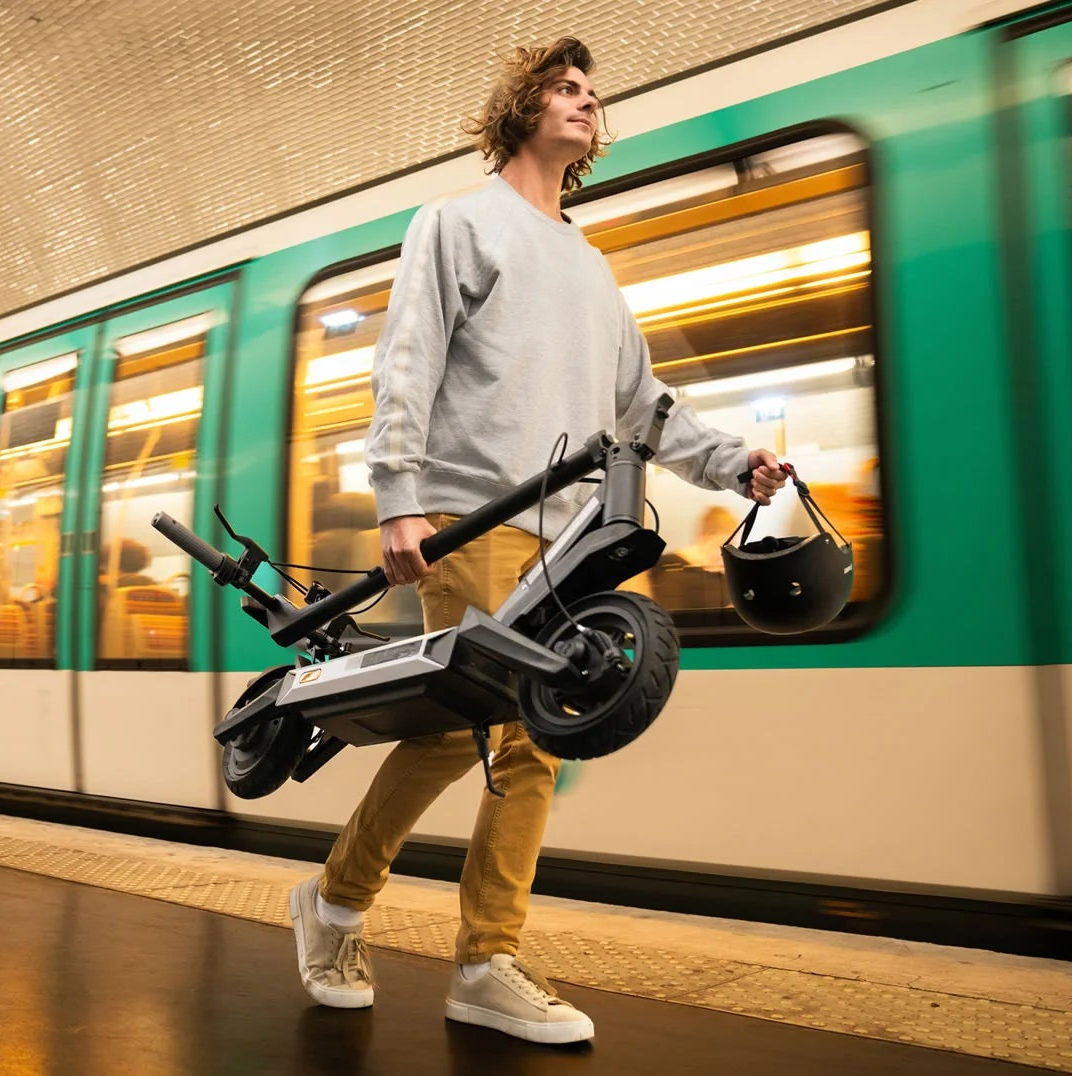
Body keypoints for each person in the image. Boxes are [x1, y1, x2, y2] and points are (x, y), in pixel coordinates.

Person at [286, 37, 786, 1045]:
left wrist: (735, 465)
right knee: (505, 737)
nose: (585, 103)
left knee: (496, 739)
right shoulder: (459, 223)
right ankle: (424, 937)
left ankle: (413, 932)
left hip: (566, 543)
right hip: (473, 516)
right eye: (566, 88)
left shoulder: (593, 271)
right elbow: (409, 361)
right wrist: (398, 497)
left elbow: (643, 407)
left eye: (594, 96)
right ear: (520, 107)